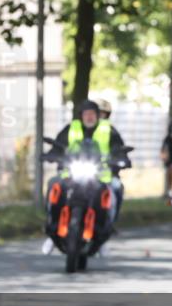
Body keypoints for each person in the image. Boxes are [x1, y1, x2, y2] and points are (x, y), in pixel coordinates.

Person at [45, 100, 127, 245]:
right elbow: (59, 146)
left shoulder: (108, 130)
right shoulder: (71, 129)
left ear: (98, 115)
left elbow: (118, 148)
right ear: (81, 116)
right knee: (53, 184)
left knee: (117, 187)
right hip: (71, 174)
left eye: (92, 114)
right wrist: (52, 155)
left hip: (101, 176)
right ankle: (52, 221)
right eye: (86, 114)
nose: (89, 117)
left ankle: (110, 224)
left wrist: (121, 159)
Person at [94, 98, 124, 223]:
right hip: (83, 172)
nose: (100, 116)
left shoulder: (112, 132)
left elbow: (120, 150)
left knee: (117, 187)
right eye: (98, 113)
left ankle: (111, 221)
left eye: (103, 113)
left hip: (106, 173)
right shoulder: (82, 129)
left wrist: (119, 162)